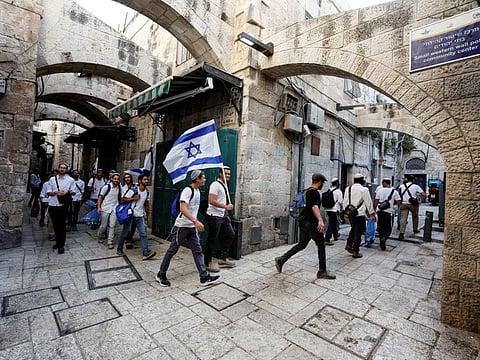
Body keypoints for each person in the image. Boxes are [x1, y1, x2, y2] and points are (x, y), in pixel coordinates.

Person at [156, 170, 220, 287]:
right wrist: (195, 221)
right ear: (197, 179)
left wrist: (196, 222)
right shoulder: (187, 190)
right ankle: (161, 274)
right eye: (203, 177)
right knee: (172, 251)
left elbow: (194, 209)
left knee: (197, 251)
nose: (204, 179)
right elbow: (183, 208)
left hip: (191, 227)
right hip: (182, 226)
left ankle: (204, 277)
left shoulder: (198, 191)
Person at [275, 173, 335, 279]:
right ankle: (322, 271)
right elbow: (314, 207)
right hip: (311, 223)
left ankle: (281, 259)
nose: (323, 185)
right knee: (321, 244)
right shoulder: (315, 192)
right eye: (322, 182)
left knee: (302, 244)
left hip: (303, 222)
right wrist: (320, 220)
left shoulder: (305, 191)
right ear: (319, 182)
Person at [116, 174, 156, 260]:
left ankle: (146, 252)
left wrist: (147, 215)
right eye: (145, 179)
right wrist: (134, 198)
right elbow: (123, 199)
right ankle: (119, 249)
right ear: (140, 181)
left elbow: (146, 204)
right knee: (125, 233)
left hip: (140, 216)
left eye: (147, 180)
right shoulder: (133, 190)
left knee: (143, 234)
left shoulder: (147, 192)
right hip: (130, 216)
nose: (146, 181)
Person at [204, 166, 236, 272]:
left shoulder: (224, 185)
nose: (227, 176)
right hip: (214, 216)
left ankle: (222, 258)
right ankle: (207, 262)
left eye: (229, 174)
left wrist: (225, 210)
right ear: (220, 174)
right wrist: (226, 207)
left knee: (230, 234)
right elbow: (211, 200)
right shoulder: (215, 185)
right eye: (225, 173)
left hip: (222, 215)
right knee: (212, 239)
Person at [342, 173, 376, 258]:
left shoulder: (348, 189)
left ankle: (349, 244)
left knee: (353, 229)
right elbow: (368, 202)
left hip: (350, 213)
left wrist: (345, 213)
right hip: (359, 214)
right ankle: (355, 251)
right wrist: (372, 214)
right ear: (362, 180)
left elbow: (345, 201)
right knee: (358, 232)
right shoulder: (364, 190)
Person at [46, 164, 76, 254]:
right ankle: (57, 242)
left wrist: (67, 192)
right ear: (58, 169)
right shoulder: (52, 179)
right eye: (61, 168)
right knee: (55, 225)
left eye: (64, 168)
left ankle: (61, 245)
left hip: (63, 205)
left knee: (62, 225)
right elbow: (48, 192)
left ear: (66, 170)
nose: (62, 169)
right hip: (53, 204)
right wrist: (56, 192)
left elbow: (73, 192)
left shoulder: (70, 180)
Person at [373, 178, 401, 250]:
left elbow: (376, 201)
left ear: (384, 183)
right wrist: (394, 204)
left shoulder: (379, 190)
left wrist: (373, 210)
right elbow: (399, 202)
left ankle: (381, 240)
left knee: (380, 227)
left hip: (380, 211)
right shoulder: (394, 191)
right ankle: (384, 238)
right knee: (388, 227)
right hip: (389, 212)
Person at [397, 174, 426, 240]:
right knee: (415, 216)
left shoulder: (401, 186)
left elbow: (398, 194)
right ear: (413, 180)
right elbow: (423, 194)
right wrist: (421, 201)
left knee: (403, 218)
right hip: (412, 204)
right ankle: (415, 229)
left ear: (407, 179)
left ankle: (401, 233)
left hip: (403, 204)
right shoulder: (416, 186)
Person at [97, 172, 121, 249]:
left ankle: (110, 241)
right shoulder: (106, 187)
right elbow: (100, 197)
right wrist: (99, 207)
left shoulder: (119, 187)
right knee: (103, 225)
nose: (116, 180)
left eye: (117, 179)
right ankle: (100, 235)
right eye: (115, 179)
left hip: (114, 208)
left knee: (112, 225)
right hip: (105, 208)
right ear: (111, 179)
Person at [323, 177, 343, 245]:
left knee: (333, 222)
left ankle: (336, 235)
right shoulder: (338, 191)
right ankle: (327, 239)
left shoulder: (329, 190)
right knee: (331, 224)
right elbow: (341, 201)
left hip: (328, 209)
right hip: (334, 209)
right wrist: (342, 208)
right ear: (337, 183)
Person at [121, 172, 137, 249]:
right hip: (126, 209)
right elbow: (122, 199)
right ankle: (128, 240)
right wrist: (133, 198)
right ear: (124, 179)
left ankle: (130, 237)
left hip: (135, 208)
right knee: (127, 224)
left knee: (134, 224)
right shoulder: (122, 188)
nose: (127, 179)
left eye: (128, 177)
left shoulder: (135, 187)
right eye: (126, 177)